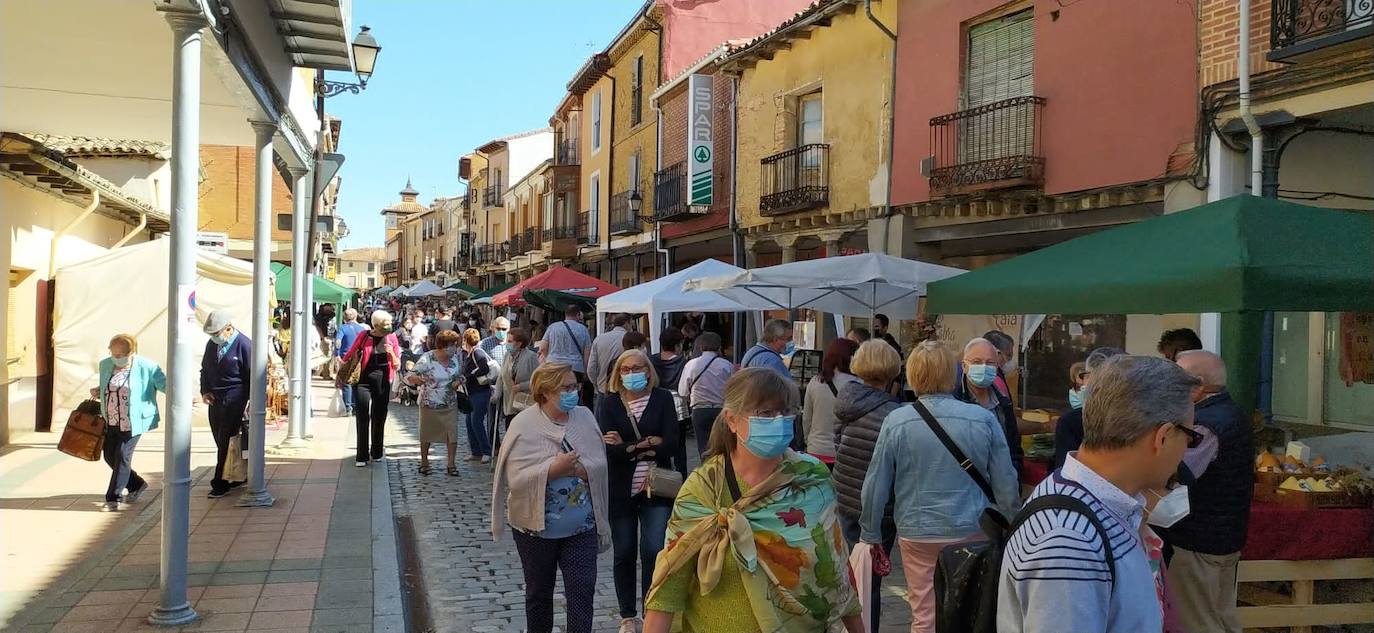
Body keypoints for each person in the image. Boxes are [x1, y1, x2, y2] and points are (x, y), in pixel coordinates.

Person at [642, 368, 863, 633]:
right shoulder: (704, 490)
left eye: (785, 412)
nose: (778, 421)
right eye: (765, 414)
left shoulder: (811, 477)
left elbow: (837, 565)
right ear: (732, 420)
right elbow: (668, 588)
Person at [998, 356, 1201, 633]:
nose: (1185, 451)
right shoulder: (1069, 540)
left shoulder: (1095, 507)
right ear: (1162, 437)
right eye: (1191, 438)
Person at [861, 341, 1019, 633]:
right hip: (971, 529)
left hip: (917, 530)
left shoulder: (896, 421)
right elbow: (1006, 483)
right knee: (971, 610)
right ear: (953, 372)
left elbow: (876, 482)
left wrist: (870, 534)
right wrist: (1012, 525)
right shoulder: (983, 419)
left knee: (924, 614)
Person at [491, 362, 610, 633]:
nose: (574, 392)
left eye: (575, 386)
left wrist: (582, 469)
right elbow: (516, 479)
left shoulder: (585, 416)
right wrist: (552, 470)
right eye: (565, 388)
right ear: (545, 392)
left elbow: (600, 463)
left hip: (581, 526)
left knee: (582, 594)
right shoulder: (524, 424)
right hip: (535, 529)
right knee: (539, 595)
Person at [1158, 350, 1253, 633]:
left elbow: (1176, 475)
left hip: (1198, 541)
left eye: (1176, 380)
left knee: (1195, 622)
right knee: (1222, 619)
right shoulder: (1231, 412)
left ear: (1198, 385)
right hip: (1222, 538)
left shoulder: (1204, 425)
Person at [597, 349, 680, 633]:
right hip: (621, 489)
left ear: (649, 370)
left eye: (638, 367)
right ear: (619, 373)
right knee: (624, 551)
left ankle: (650, 610)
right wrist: (645, 444)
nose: (633, 373)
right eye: (626, 368)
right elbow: (608, 450)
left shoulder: (663, 398)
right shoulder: (609, 404)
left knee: (653, 550)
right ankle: (627, 615)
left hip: (657, 488)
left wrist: (628, 445)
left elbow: (671, 442)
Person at [832, 340, 904, 633]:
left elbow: (838, 443)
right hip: (879, 506)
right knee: (870, 577)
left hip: (846, 494)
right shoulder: (892, 413)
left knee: (852, 568)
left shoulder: (846, 400)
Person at [93, 334, 163, 511]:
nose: (116, 358)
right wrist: (98, 390)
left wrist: (185, 397)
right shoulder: (105, 365)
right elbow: (107, 387)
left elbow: (166, 384)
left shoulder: (147, 367)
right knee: (110, 456)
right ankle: (136, 484)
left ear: (131, 352)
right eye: (113, 354)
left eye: (120, 354)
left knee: (122, 455)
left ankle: (113, 498)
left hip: (133, 421)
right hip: (112, 420)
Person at [199, 311, 252, 499]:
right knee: (221, 439)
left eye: (217, 333)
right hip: (216, 399)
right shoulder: (211, 345)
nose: (215, 337)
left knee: (226, 440)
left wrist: (249, 401)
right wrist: (205, 390)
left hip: (235, 399)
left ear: (229, 329)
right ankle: (236, 474)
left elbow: (251, 375)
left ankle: (219, 482)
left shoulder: (244, 345)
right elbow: (204, 369)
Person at [953, 337, 1023, 477]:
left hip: (1000, 488)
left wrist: (1013, 476)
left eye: (990, 363)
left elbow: (1014, 449)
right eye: (977, 362)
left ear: (997, 367)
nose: (984, 367)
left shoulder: (1003, 403)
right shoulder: (954, 401)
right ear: (964, 367)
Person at [341, 310, 401, 467]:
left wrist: (391, 354)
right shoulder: (364, 335)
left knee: (379, 416)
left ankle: (377, 451)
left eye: (389, 325)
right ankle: (361, 455)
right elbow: (351, 353)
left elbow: (397, 364)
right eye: (384, 325)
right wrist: (341, 372)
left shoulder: (391, 337)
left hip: (382, 380)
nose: (387, 328)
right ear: (375, 325)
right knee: (362, 416)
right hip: (363, 380)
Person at [1052, 347, 1125, 470]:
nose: (1083, 382)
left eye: (1086, 376)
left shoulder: (1072, 422)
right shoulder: (1142, 417)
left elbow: (1065, 470)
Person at [407, 329, 464, 477]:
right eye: (451, 345)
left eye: (455, 345)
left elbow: (461, 375)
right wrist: (418, 380)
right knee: (427, 433)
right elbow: (411, 375)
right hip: (430, 403)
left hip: (450, 402)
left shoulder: (455, 358)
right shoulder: (428, 358)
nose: (454, 348)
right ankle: (424, 463)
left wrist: (458, 381)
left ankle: (451, 464)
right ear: (443, 345)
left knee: (452, 433)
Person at [802, 338, 860, 464]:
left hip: (816, 449)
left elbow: (807, 418)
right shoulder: (858, 384)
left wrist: (808, 441)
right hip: (844, 451)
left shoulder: (815, 382)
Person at [677, 332, 734, 457]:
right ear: (719, 347)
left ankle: (706, 473)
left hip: (700, 409)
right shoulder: (727, 365)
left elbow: (682, 391)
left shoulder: (691, 365)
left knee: (703, 448)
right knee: (723, 447)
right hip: (721, 409)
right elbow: (733, 390)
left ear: (701, 347)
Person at [651, 328, 689, 477]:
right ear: (677, 345)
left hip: (657, 401)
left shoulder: (652, 360)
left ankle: (662, 476)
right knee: (680, 444)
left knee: (660, 439)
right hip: (678, 402)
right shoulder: (682, 362)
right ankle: (682, 477)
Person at [541, 305, 594, 406]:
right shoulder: (583, 329)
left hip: (553, 366)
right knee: (573, 394)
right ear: (579, 315)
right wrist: (586, 372)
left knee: (553, 392)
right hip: (575, 368)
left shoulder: (553, 327)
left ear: (565, 314)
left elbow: (542, 348)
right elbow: (587, 353)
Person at [460, 327, 498, 464]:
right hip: (471, 392)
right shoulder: (469, 354)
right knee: (469, 422)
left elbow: (484, 368)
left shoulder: (478, 352)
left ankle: (486, 451)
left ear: (466, 340)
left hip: (481, 392)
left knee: (476, 421)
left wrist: (469, 376)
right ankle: (475, 451)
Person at [588, 313, 631, 411]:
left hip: (603, 389)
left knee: (601, 422)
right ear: (627, 323)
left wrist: (597, 383)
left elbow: (591, 368)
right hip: (624, 389)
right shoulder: (630, 339)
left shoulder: (599, 339)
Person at [500, 327, 541, 425]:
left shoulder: (531, 357)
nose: (507, 343)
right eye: (507, 340)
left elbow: (538, 379)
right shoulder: (507, 355)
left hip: (525, 401)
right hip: (509, 400)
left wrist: (521, 386)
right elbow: (501, 375)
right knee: (510, 427)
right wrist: (497, 394)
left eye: (510, 341)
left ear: (519, 343)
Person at [335, 308, 368, 416]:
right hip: (359, 357)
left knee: (346, 381)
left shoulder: (343, 328)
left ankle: (348, 407)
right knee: (356, 380)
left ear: (344, 317)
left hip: (346, 357)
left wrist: (337, 354)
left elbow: (338, 341)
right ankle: (355, 406)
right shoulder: (362, 329)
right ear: (355, 317)